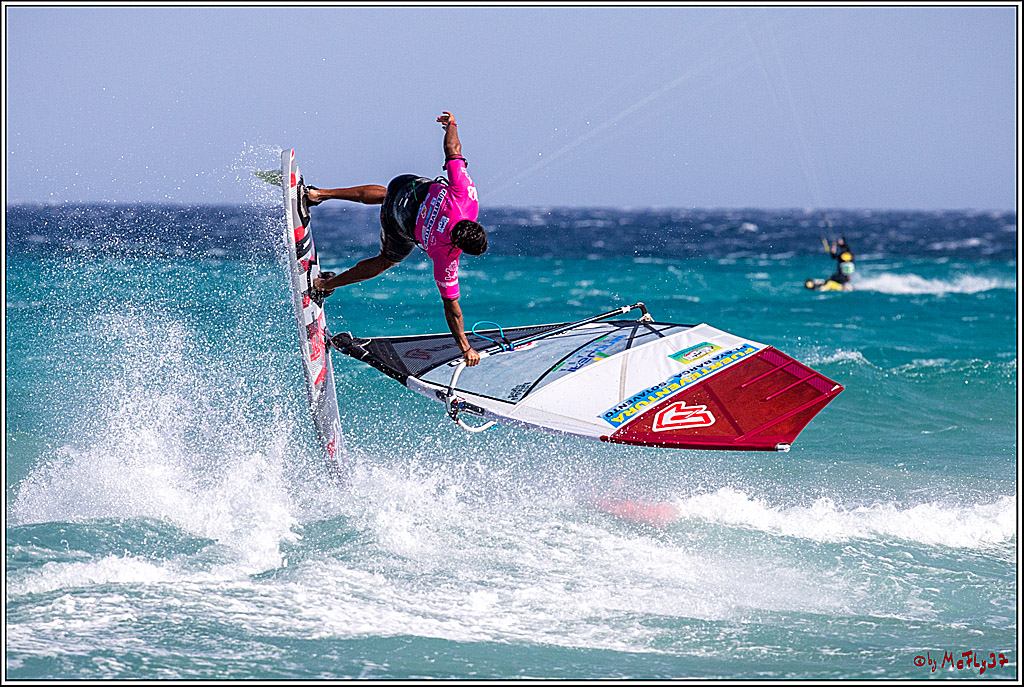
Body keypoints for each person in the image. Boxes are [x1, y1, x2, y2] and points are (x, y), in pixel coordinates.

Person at [306, 112, 488, 366]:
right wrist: (466, 348)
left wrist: (452, 125)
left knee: (388, 194)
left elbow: (453, 148)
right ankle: (324, 285)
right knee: (384, 262)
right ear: (461, 246)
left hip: (403, 187)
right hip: (397, 223)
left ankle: (318, 194)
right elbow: (452, 309)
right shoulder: (446, 256)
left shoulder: (466, 196)